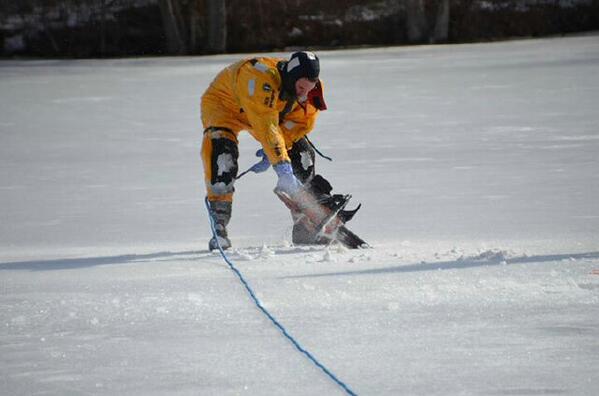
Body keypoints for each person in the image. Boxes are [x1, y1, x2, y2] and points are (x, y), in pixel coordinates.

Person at [201, 51, 328, 250]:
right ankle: (219, 227)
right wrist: (282, 167)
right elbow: (266, 125)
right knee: (223, 157)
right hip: (225, 106)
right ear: (292, 77)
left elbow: (298, 125)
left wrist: (279, 151)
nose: (304, 94)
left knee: (302, 153)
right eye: (301, 87)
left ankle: (305, 223)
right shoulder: (259, 77)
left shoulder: (309, 93)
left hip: (268, 110)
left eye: (309, 89)